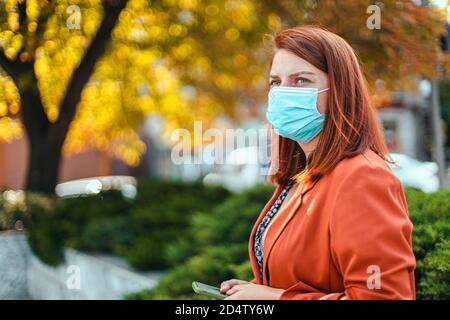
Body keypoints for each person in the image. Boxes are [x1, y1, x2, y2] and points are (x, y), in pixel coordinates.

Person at [220, 26, 416, 300]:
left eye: (301, 81)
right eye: (275, 82)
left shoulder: (363, 177)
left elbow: (384, 296)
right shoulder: (303, 176)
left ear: (339, 91)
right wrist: (252, 292)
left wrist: (275, 298)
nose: (283, 92)